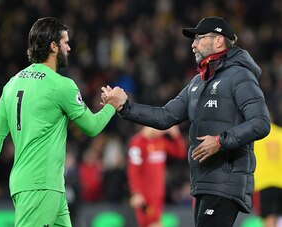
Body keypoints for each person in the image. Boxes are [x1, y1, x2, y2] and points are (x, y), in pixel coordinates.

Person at [0, 17, 127, 227]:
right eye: (65, 42)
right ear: (53, 46)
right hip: (40, 188)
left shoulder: (11, 84)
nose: (69, 48)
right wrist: (113, 105)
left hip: (36, 185)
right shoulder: (61, 85)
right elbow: (91, 127)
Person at [102, 16, 271, 227]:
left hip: (225, 183)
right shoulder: (197, 82)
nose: (193, 45)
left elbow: (262, 122)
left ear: (219, 41)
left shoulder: (240, 76)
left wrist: (219, 141)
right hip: (203, 182)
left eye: (199, 38)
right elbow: (165, 116)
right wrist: (125, 106)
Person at [127, 125, 186, 227]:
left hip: (158, 193)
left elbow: (180, 153)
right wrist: (136, 192)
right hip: (145, 196)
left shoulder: (160, 141)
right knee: (152, 224)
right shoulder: (137, 143)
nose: (163, 131)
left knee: (155, 223)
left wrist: (176, 136)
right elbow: (133, 170)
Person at [254, 121, 282, 227]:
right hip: (280, 181)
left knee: (269, 220)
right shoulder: (280, 133)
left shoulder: (257, 134)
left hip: (264, 182)